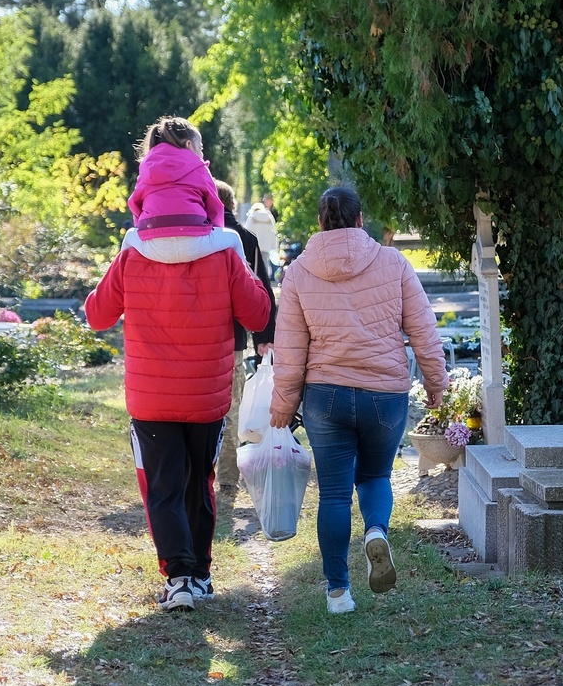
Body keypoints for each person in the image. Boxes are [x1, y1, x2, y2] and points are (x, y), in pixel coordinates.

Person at [86, 156, 273, 612]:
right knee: (199, 483)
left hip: (151, 396)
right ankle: (201, 575)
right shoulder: (225, 249)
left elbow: (97, 315)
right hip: (206, 394)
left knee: (163, 487)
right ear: (202, 194)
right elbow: (258, 314)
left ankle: (179, 578)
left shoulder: (131, 252)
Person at [269, 185, 447, 614]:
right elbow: (423, 331)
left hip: (324, 396)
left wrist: (282, 406)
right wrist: (436, 385)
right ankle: (376, 532)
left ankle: (338, 593)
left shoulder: (299, 272)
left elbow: (290, 350)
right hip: (384, 394)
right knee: (375, 476)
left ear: (320, 222)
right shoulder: (393, 262)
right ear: (360, 219)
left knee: (333, 494)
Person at [213, 180, 276, 504]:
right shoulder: (246, 239)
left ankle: (200, 475)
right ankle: (227, 480)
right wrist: (263, 337)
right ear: (232, 204)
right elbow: (261, 290)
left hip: (196, 336)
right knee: (230, 409)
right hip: (233, 339)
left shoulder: (199, 236)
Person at [123, 117, 242, 263]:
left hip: (154, 248)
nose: (201, 154)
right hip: (195, 244)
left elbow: (135, 204)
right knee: (235, 238)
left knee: (129, 236)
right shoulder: (199, 167)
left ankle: (120, 275)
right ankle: (249, 276)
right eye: (200, 148)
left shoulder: (146, 168)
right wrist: (214, 231)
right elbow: (214, 207)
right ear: (189, 144)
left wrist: (143, 228)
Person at [244, 194, 279, 259]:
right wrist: (274, 246)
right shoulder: (269, 217)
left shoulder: (252, 217)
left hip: (253, 246)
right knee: (264, 262)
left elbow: (247, 232)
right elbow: (274, 232)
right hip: (266, 246)